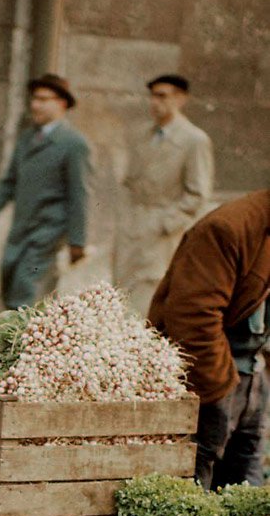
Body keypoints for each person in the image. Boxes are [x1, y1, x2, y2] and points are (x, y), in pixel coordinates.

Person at [149, 189, 270, 489]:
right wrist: (219, 391)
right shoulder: (228, 229)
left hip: (250, 375)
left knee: (247, 503)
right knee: (195, 487)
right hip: (208, 378)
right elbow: (193, 319)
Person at [0, 73, 91, 310]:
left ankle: (23, 341)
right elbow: (9, 181)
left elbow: (79, 195)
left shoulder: (74, 144)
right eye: (34, 99)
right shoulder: (28, 138)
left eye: (42, 99)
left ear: (62, 103)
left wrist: (77, 241)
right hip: (21, 229)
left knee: (27, 291)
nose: (34, 105)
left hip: (48, 232)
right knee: (9, 281)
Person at [115, 74, 214, 318]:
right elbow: (129, 183)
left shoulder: (194, 139)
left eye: (162, 96)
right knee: (121, 293)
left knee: (150, 295)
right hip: (133, 225)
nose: (154, 102)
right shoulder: (142, 135)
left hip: (163, 231)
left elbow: (197, 194)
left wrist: (164, 224)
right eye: (152, 96)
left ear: (180, 99)